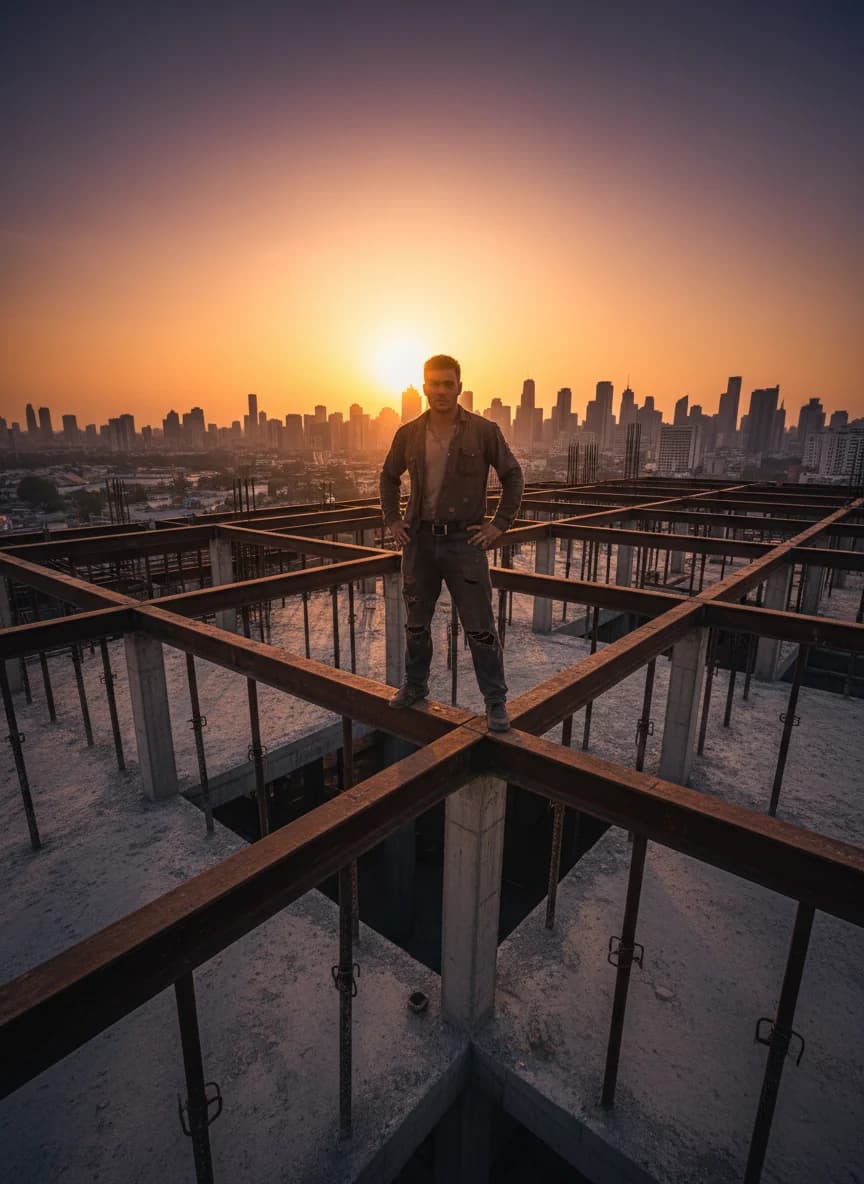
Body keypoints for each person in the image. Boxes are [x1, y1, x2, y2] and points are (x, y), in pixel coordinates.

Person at [379, 354, 524, 731]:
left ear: (459, 387)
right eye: (434, 384)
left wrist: (500, 524)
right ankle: (414, 686)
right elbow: (388, 476)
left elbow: (513, 475)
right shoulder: (408, 433)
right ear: (424, 387)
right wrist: (393, 519)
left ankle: (495, 702)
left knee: (479, 625)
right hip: (420, 542)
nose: (441, 391)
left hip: (464, 543)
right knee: (416, 624)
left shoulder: (483, 431)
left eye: (448, 384)